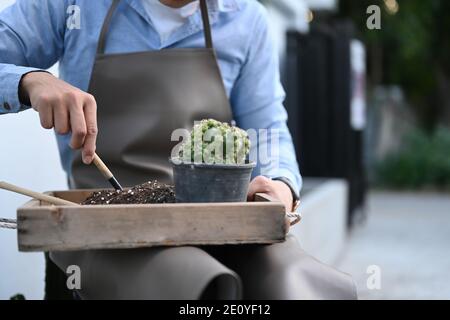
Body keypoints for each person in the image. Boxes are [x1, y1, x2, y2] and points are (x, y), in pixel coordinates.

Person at [0, 0, 356, 299]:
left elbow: (267, 130)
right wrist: (28, 80)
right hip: (99, 227)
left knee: (293, 279)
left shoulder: (245, 18)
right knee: (191, 281)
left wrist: (281, 184)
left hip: (215, 224)